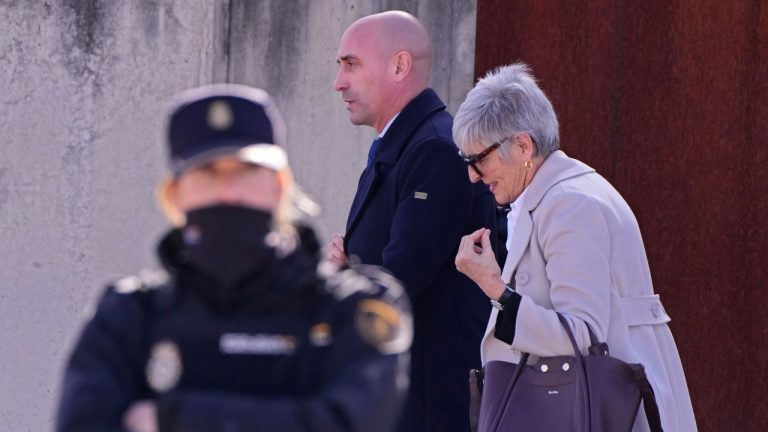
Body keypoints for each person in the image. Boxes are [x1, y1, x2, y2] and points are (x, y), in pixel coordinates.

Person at [55, 84, 412, 432]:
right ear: (175, 195)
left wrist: (171, 418)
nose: (228, 191)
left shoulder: (350, 307)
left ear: (279, 186)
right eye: (207, 173)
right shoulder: (130, 315)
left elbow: (352, 422)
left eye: (246, 171)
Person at [453, 63, 697, 431]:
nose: (472, 174)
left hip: (600, 414)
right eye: (467, 161)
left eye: (479, 160)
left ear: (523, 146)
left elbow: (580, 334)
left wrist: (493, 286)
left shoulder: (569, 204)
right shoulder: (559, 193)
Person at [329, 10, 497, 432]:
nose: (339, 82)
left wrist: (343, 278)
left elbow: (399, 282)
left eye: (351, 64)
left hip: (430, 398)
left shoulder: (434, 150)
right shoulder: (405, 143)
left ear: (399, 65)